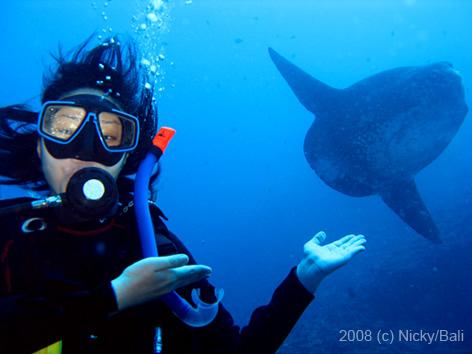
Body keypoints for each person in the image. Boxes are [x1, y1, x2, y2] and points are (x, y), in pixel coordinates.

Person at [0, 36, 367, 354]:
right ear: (39, 145)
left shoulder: (153, 247)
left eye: (112, 134)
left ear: (128, 154)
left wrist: (302, 281)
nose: (87, 148)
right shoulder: (6, 232)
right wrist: (114, 297)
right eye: (64, 127)